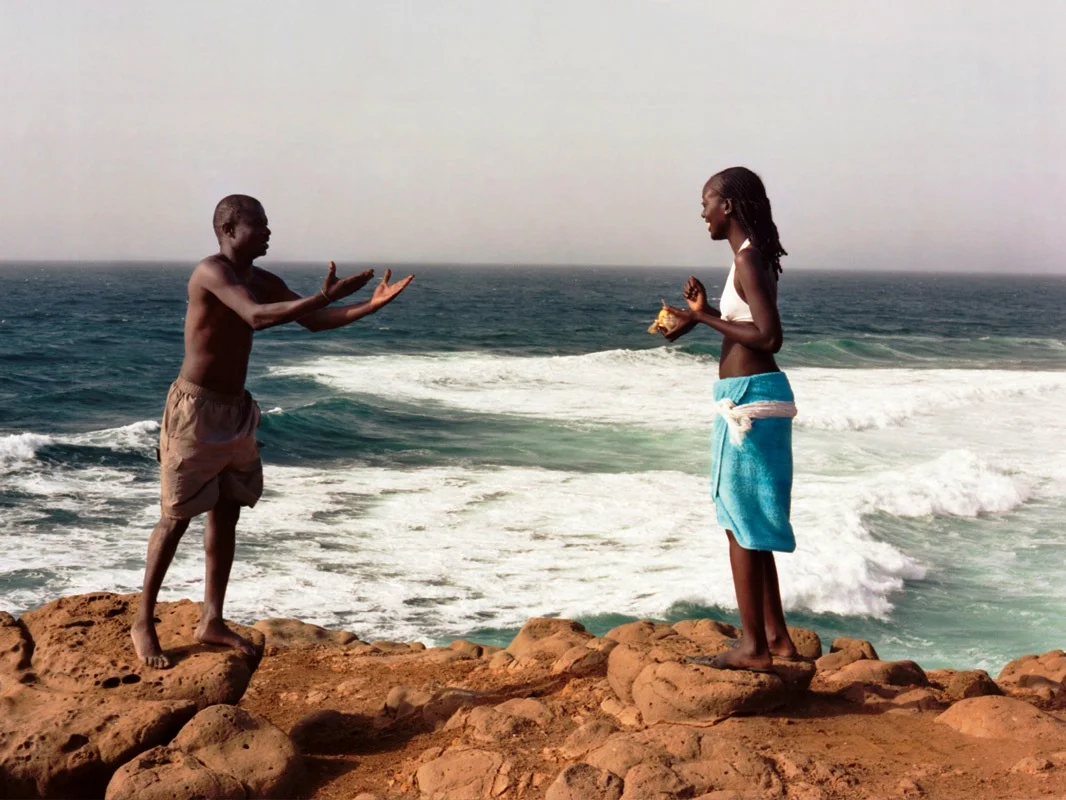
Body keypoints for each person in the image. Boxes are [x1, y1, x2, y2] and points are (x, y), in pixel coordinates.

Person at [131, 194, 414, 668]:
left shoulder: (262, 279)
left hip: (235, 409)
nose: (267, 232)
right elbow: (256, 316)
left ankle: (211, 620)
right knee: (176, 517)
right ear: (228, 229)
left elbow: (313, 321)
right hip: (195, 410)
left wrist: (369, 306)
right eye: (258, 225)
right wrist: (325, 294)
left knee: (227, 510)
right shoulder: (211, 272)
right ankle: (142, 620)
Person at [663, 167, 800, 672]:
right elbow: (747, 327)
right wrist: (698, 316)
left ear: (729, 206)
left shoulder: (748, 260)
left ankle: (753, 649)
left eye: (707, 202)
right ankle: (776, 639)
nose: (702, 212)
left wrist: (702, 318)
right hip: (749, 397)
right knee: (751, 522)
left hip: (747, 400)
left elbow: (769, 337)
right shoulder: (749, 257)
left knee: (739, 522)